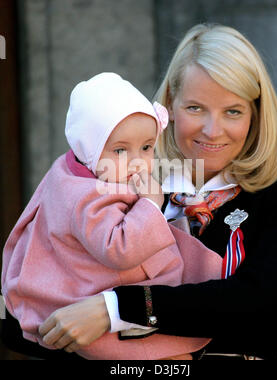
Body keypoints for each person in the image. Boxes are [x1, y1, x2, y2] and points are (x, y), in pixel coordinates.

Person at [34, 23, 277, 361]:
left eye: (233, 111)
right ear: (169, 106)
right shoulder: (110, 188)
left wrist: (114, 309)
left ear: (255, 116)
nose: (212, 130)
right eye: (195, 108)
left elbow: (260, 307)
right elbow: (32, 314)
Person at [1, 72, 224, 360]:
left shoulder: (68, 171)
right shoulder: (88, 196)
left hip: (87, 294)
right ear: (90, 150)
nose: (136, 162)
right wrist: (151, 205)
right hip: (93, 303)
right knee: (172, 356)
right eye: (120, 150)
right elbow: (119, 249)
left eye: (146, 147)